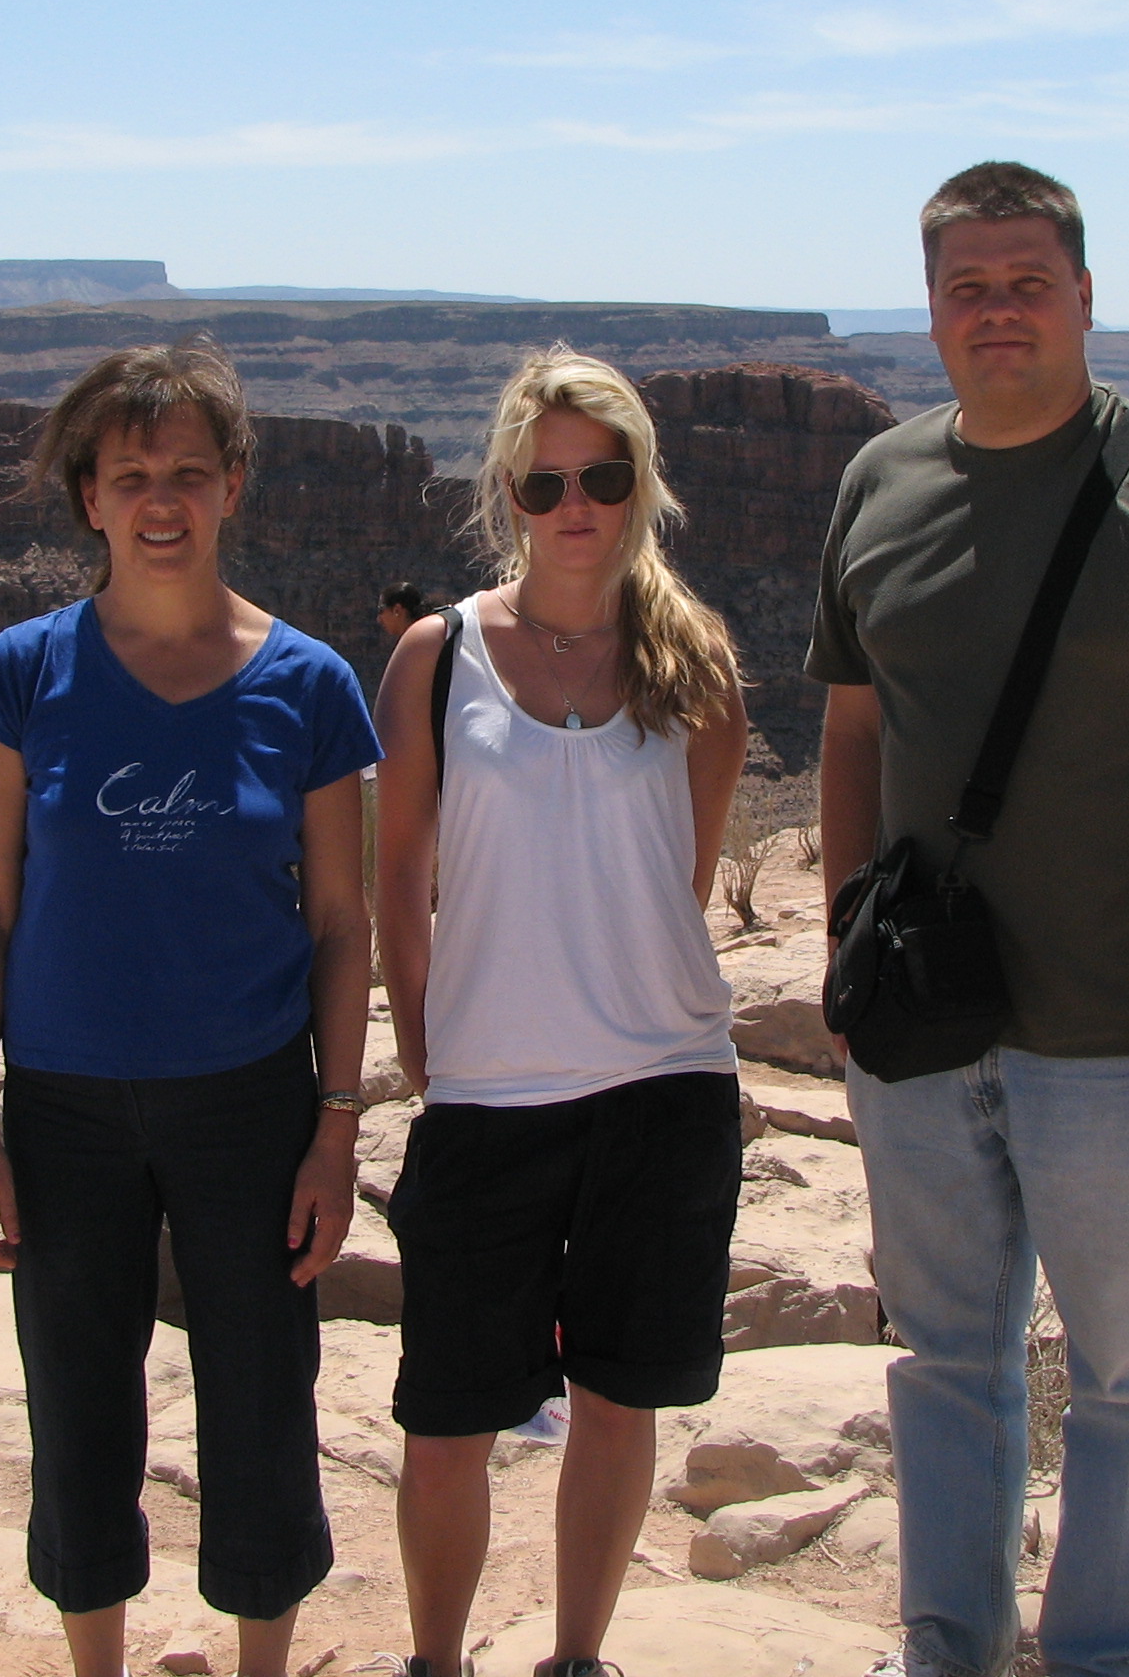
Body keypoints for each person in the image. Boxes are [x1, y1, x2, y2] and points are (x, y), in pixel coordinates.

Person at [809, 163, 1129, 1677]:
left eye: (1028, 281)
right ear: (930, 309)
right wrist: (848, 953)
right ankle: (950, 1647)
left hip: (1122, 1035)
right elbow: (847, 735)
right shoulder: (879, 481)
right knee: (946, 1365)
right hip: (921, 1033)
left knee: (1128, 1378)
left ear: (1087, 295)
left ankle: (1107, 1656)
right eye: (968, 287)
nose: (998, 311)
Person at [0, 339, 379, 1677]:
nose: (161, 501)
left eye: (189, 471)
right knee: (78, 1406)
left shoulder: (307, 686)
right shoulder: (28, 673)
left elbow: (344, 921)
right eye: (131, 474)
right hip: (66, 1106)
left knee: (261, 1398)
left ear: (234, 485)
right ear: (91, 498)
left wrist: (335, 1128)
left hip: (250, 1098)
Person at [374, 349, 750, 1677]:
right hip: (491, 1097)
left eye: (604, 476)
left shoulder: (693, 659)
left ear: (641, 483)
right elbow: (400, 868)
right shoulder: (440, 656)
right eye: (548, 482)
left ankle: (578, 1656)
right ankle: (436, 1659)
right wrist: (425, 1042)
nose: (576, 504)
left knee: (617, 1399)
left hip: (666, 1087)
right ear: (511, 493)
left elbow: (683, 873)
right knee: (448, 1414)